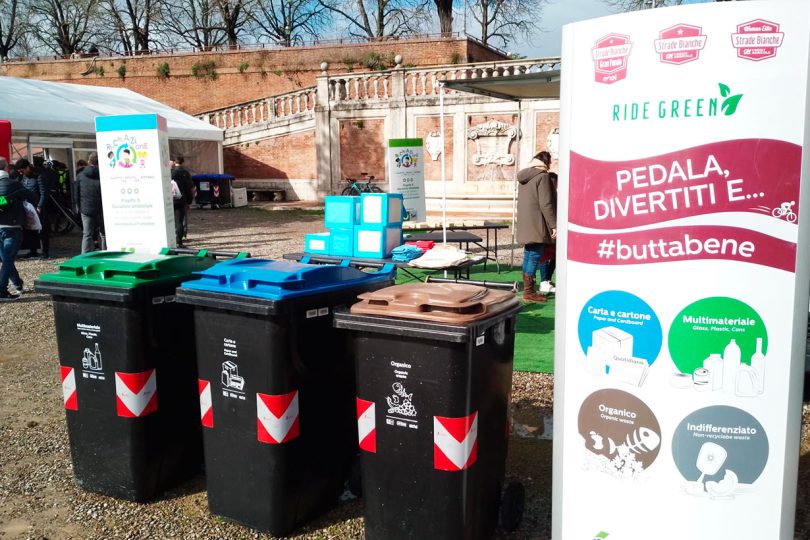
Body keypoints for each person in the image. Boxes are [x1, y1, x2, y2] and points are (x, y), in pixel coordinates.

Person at [516, 151, 557, 303]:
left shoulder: (524, 177)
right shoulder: (543, 176)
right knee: (534, 256)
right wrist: (554, 225)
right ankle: (529, 292)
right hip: (537, 223)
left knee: (529, 255)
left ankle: (528, 290)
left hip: (526, 222)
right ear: (546, 162)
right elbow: (546, 203)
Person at [0, 157, 36, 301]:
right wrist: (16, 199)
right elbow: (33, 196)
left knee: (6, 258)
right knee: (8, 260)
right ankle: (1, 290)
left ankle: (17, 283)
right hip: (12, 227)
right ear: (7, 169)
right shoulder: (14, 184)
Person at [15, 158, 48, 259]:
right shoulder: (22, 178)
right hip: (27, 207)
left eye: (22, 171)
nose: (21, 173)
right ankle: (33, 250)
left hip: (38, 207)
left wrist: (40, 206)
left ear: (28, 167)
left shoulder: (39, 177)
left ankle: (45, 252)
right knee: (29, 230)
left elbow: (44, 193)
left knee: (42, 230)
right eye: (19, 172)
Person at [75, 153, 105, 253]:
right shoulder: (103, 174)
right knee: (104, 233)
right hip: (101, 208)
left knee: (87, 234)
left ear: (88, 161)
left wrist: (80, 207)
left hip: (86, 208)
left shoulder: (80, 175)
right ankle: (106, 253)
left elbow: (77, 195)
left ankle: (84, 256)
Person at [538, 172, 558, 294]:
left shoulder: (555, 194)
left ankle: (547, 279)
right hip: (547, 229)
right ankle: (544, 281)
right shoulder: (546, 196)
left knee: (554, 256)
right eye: (554, 182)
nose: (555, 185)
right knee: (545, 256)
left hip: (553, 229)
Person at [171, 156, 195, 247]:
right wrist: (189, 202)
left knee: (168, 220)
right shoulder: (185, 173)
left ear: (174, 162)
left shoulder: (170, 172)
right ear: (183, 162)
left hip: (170, 200)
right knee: (179, 221)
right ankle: (179, 242)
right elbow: (190, 188)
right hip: (181, 199)